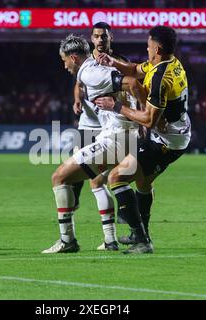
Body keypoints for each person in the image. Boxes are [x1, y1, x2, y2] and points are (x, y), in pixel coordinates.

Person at [41, 34, 147, 254]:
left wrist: (143, 115)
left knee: (59, 177)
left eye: (64, 61)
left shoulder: (91, 72)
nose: (64, 66)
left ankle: (67, 240)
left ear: (73, 57)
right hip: (120, 136)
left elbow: (133, 82)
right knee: (97, 182)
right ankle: (109, 240)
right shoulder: (87, 72)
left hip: (117, 138)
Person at [94, 26, 191, 253]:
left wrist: (116, 106)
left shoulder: (160, 78)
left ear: (156, 48)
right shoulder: (171, 63)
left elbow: (148, 120)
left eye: (148, 45)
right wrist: (113, 62)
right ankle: (141, 233)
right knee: (143, 182)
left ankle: (142, 240)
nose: (146, 49)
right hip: (174, 135)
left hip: (166, 142)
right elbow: (137, 69)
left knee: (116, 177)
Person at [71, 22, 131, 251]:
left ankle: (122, 223)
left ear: (110, 38)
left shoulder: (118, 62)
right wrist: (77, 99)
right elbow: (78, 84)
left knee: (105, 179)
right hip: (88, 125)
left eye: (103, 36)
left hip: (111, 127)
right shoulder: (86, 63)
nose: (100, 40)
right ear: (91, 39)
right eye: (96, 36)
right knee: (76, 174)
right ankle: (72, 208)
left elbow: (131, 85)